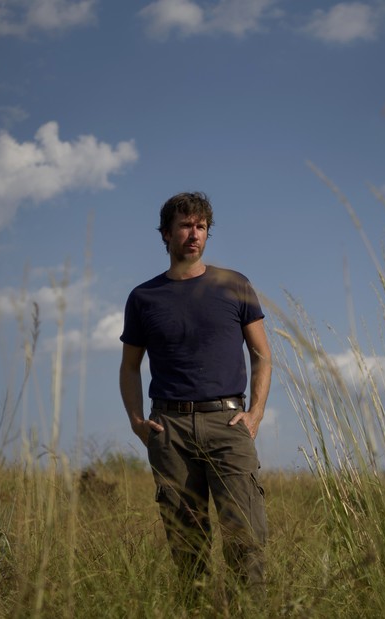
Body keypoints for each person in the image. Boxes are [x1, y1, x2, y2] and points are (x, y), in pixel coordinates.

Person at [119, 191, 272, 599]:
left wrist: (254, 414)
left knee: (247, 539)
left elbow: (262, 356)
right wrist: (138, 422)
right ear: (166, 234)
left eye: (201, 226)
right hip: (169, 430)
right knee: (188, 548)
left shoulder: (234, 285)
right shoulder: (143, 298)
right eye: (185, 225)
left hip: (228, 422)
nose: (194, 234)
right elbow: (129, 366)